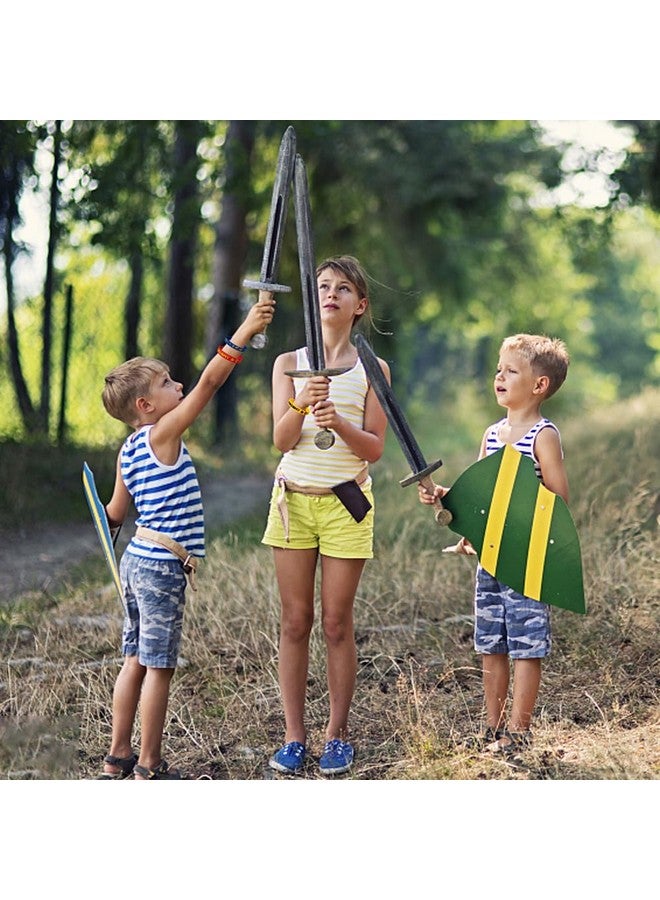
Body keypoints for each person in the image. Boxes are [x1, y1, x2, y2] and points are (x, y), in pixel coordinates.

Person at [97, 291, 275, 780]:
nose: (179, 386)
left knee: (134, 657)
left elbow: (114, 513)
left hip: (136, 561)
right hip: (160, 566)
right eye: (167, 382)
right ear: (145, 404)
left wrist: (101, 519)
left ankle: (117, 756)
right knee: (160, 665)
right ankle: (149, 764)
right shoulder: (163, 433)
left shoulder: (128, 450)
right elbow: (211, 383)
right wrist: (246, 330)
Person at [262, 256, 389, 776]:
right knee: (296, 621)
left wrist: (336, 417)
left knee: (337, 622)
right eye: (322, 286)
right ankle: (295, 736)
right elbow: (280, 441)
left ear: (360, 305)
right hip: (293, 501)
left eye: (342, 288)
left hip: (346, 504)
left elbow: (375, 448)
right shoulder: (288, 363)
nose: (330, 294)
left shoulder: (372, 371)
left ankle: (337, 734)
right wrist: (300, 404)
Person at [419, 333, 570, 756]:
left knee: (526, 645)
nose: (499, 377)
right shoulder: (492, 433)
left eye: (510, 371)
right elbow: (483, 499)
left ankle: (518, 731)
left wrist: (521, 507)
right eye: (498, 370)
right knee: (491, 643)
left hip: (526, 561)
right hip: (491, 559)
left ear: (539, 385)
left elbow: (558, 499)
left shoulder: (543, 435)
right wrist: (447, 498)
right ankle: (492, 726)